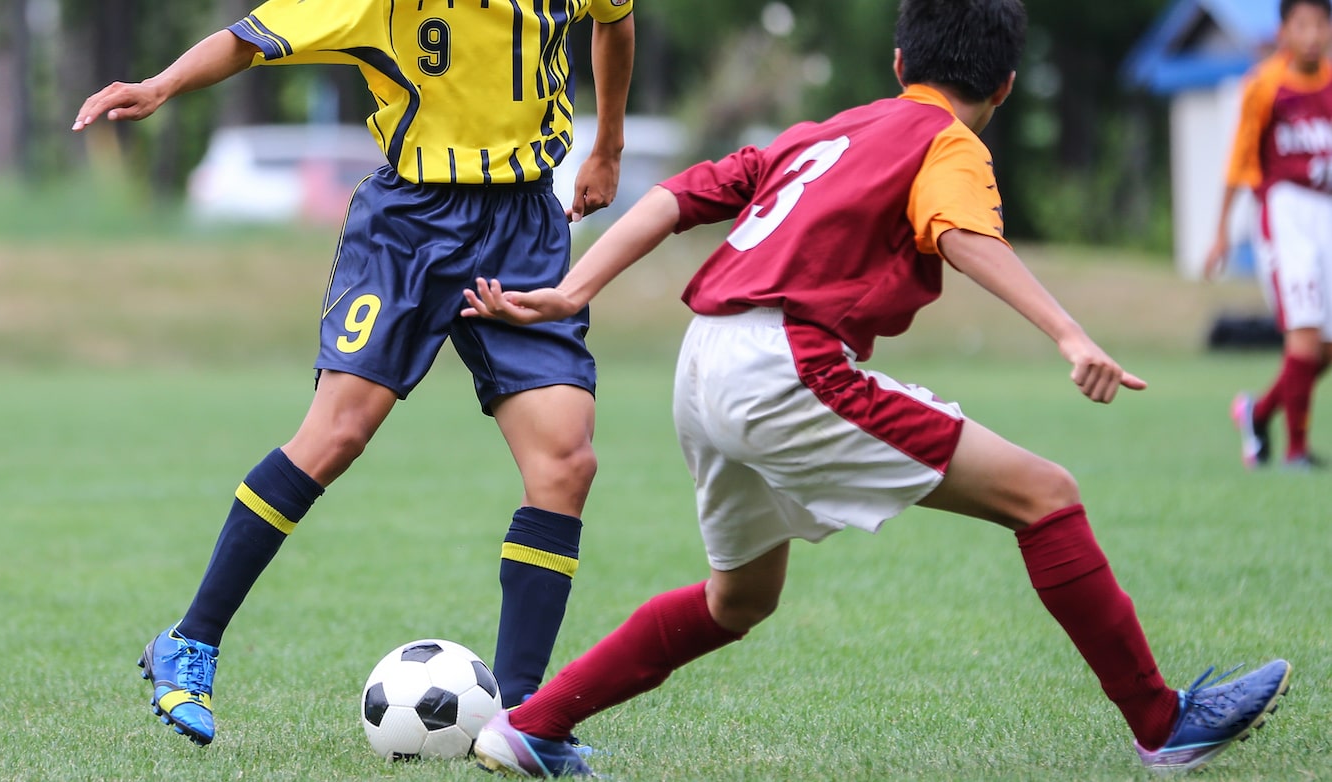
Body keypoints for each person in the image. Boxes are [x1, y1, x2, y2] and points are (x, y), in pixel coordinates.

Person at [459, 0, 1291, 776]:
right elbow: (961, 234)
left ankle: (532, 725)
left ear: (898, 62)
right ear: (1004, 85)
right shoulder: (949, 143)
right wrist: (1069, 333)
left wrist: (576, 291)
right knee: (1045, 496)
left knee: (738, 599)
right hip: (783, 366)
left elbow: (676, 197)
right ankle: (1162, 723)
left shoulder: (827, 130)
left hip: (702, 358)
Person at [71, 0, 635, 746]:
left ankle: (522, 722)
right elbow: (248, 42)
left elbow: (614, 21)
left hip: (523, 226)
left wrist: (607, 148)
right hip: (409, 230)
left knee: (565, 461)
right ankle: (191, 641)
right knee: (336, 435)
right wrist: (162, 85)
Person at [1205, 0, 1332, 470]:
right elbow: (1238, 162)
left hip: (1326, 212)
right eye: (1302, 25)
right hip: (1286, 214)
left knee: (1324, 350)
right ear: (1283, 31)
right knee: (1304, 338)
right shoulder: (1264, 85)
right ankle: (1296, 452)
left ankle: (1257, 411)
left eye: (1321, 24)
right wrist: (1220, 232)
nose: (1313, 35)